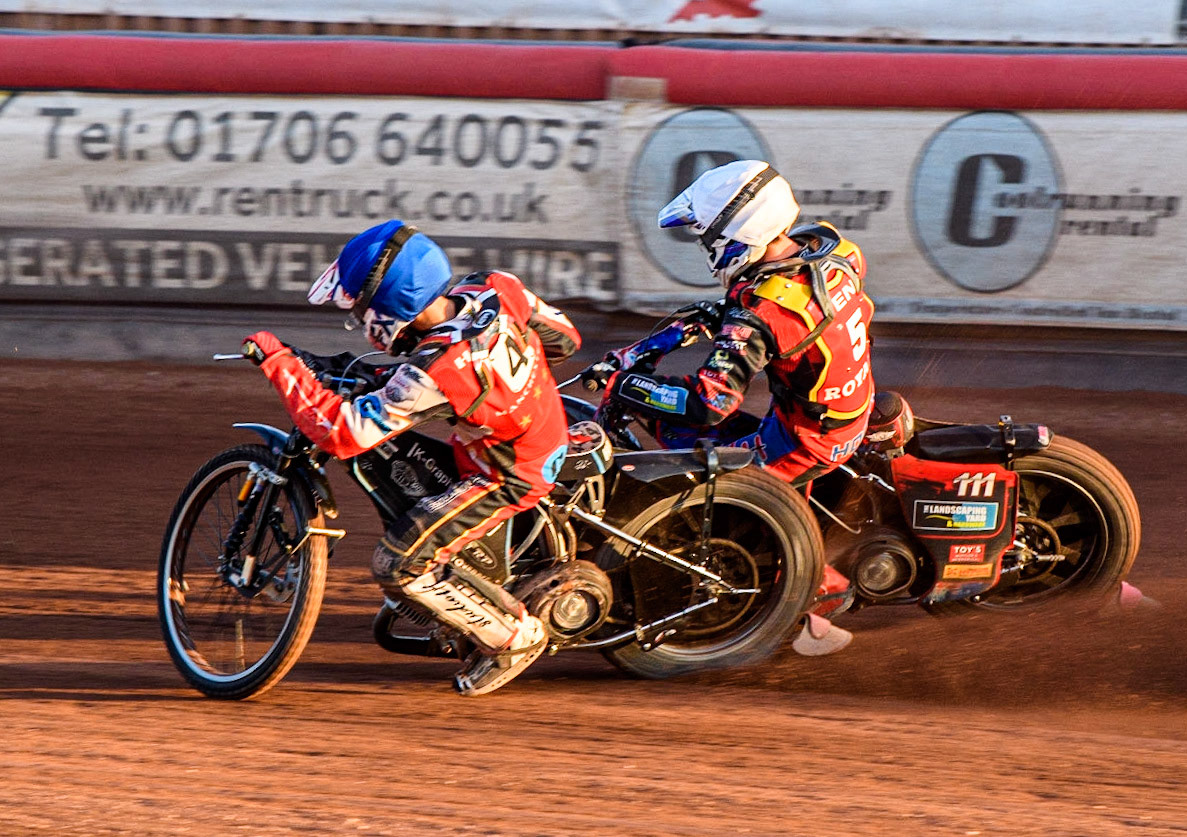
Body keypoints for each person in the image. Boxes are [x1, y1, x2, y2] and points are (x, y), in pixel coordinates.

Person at [241, 219, 581, 695]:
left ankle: (514, 637)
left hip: (508, 472)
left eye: (360, 308)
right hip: (531, 427)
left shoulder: (435, 371)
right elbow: (565, 340)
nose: (359, 320)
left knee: (397, 564)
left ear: (389, 302)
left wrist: (279, 365)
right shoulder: (494, 285)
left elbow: (343, 433)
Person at [596, 160, 873, 656]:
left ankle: (817, 584)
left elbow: (711, 403)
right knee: (678, 421)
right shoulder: (828, 247)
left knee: (699, 482)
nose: (707, 250)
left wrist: (627, 385)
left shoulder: (766, 311)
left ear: (743, 231)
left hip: (805, 439)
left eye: (710, 239)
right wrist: (643, 352)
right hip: (845, 404)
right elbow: (730, 311)